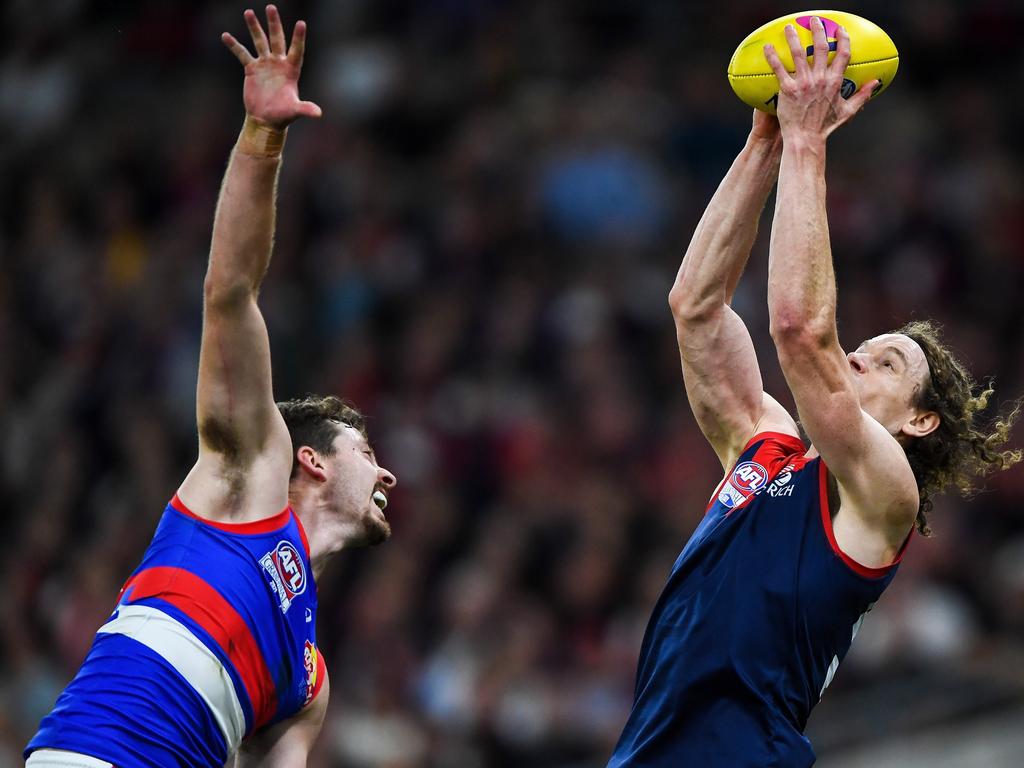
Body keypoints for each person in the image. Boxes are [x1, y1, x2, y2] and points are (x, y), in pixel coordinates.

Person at [609, 17, 1020, 767]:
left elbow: (800, 330)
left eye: (887, 363)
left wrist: (808, 141)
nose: (860, 357)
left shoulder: (884, 495)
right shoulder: (763, 445)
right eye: (862, 348)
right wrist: (763, 141)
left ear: (922, 421)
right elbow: (697, 309)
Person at [24, 7, 397, 767]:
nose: (387, 470)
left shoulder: (309, 681)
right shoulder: (247, 480)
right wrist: (262, 139)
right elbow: (230, 292)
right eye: (366, 449)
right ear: (313, 460)